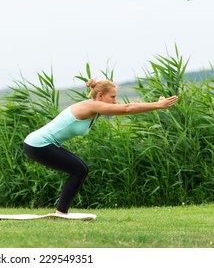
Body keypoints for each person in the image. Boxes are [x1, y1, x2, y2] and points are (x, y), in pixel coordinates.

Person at [23, 79, 179, 215]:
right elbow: (127, 109)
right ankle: (60, 212)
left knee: (80, 169)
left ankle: (61, 211)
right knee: (79, 169)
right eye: (112, 97)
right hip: (38, 144)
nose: (115, 101)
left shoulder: (93, 108)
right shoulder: (90, 107)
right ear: (100, 96)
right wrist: (158, 105)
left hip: (41, 144)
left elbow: (124, 107)